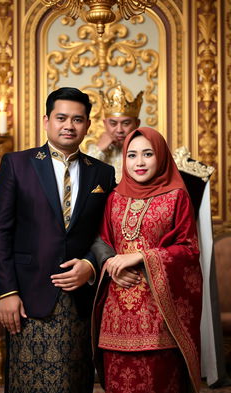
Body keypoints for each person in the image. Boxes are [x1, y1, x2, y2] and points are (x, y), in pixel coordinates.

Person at [0, 87, 116, 393]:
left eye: (77, 119)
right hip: (28, 296)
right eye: (61, 117)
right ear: (46, 121)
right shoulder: (17, 164)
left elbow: (108, 234)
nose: (68, 125)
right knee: (27, 381)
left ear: (86, 125)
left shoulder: (102, 173)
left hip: (80, 298)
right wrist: (7, 292)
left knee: (74, 379)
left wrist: (91, 265)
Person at [91, 127, 203, 393]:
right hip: (116, 313)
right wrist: (110, 265)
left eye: (147, 154)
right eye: (131, 155)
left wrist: (142, 256)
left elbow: (188, 250)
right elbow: (102, 241)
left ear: (161, 156)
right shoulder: (113, 198)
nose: (139, 162)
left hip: (160, 314)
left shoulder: (177, 197)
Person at [87, 82, 143, 182]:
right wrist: (99, 149)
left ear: (137, 124)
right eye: (113, 123)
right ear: (105, 124)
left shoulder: (147, 151)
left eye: (126, 123)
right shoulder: (94, 152)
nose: (119, 130)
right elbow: (82, 179)